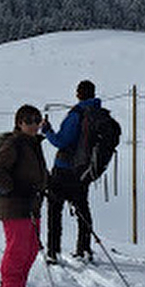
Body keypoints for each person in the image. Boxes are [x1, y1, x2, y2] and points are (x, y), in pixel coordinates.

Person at [0, 104, 49, 287]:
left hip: (31, 205)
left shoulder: (33, 143)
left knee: (31, 248)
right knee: (18, 249)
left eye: (37, 120)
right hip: (14, 205)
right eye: (29, 121)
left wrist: (49, 185)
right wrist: (14, 189)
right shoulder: (14, 143)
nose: (34, 125)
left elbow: (37, 173)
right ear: (19, 123)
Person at [41, 79, 99, 263]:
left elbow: (61, 141)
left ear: (79, 94)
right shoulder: (98, 113)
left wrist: (47, 131)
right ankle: (84, 248)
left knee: (54, 210)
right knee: (82, 208)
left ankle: (53, 251)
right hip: (84, 170)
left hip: (64, 169)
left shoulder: (76, 114)